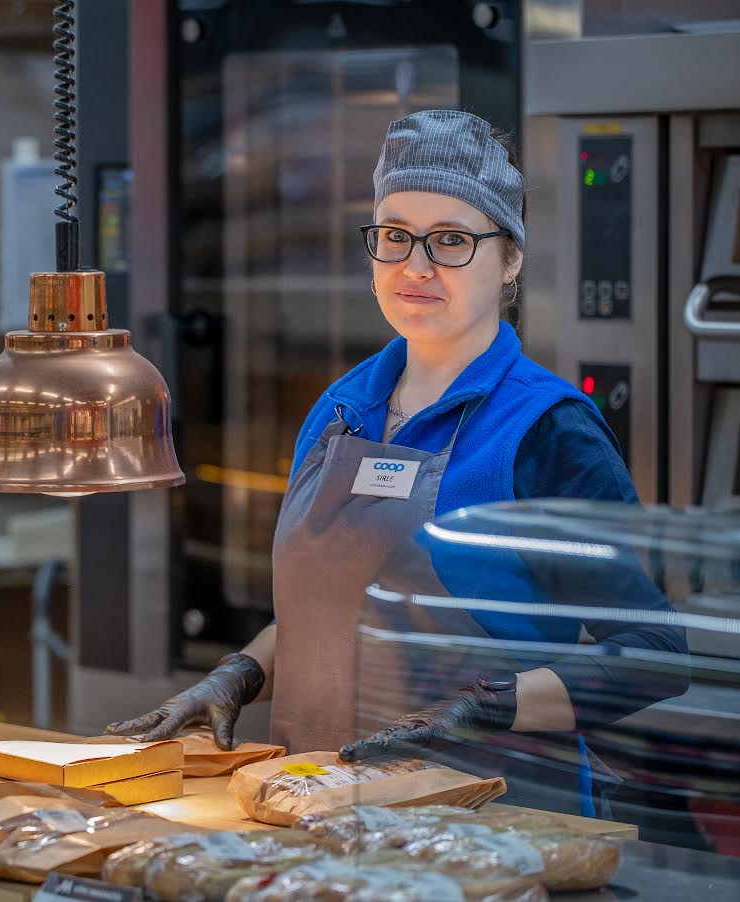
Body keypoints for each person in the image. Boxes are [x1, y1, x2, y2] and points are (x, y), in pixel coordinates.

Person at [106, 109, 688, 816]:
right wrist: (237, 674)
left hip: (493, 823)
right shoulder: (341, 407)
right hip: (321, 809)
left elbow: (652, 652)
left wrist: (492, 709)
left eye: (450, 239)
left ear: (509, 260)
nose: (415, 266)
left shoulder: (546, 427)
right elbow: (342, 607)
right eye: (393, 236)